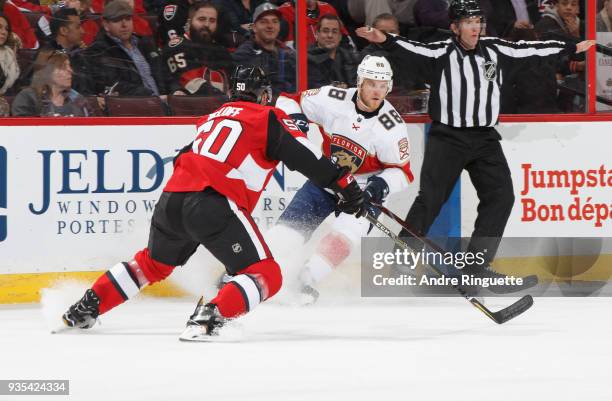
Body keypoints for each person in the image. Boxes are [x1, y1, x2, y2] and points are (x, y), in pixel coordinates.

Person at [61, 65, 366, 340]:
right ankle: (210, 317)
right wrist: (347, 189)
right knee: (266, 273)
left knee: (151, 264)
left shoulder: (210, 119)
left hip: (172, 199)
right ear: (264, 96)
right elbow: (308, 157)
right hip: (213, 201)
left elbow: (183, 156)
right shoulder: (267, 117)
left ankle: (85, 307)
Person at [356, 0, 594, 291]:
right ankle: (404, 254)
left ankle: (476, 267)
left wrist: (569, 47)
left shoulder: (495, 49)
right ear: (455, 27)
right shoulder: (441, 51)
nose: (475, 27)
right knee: (430, 198)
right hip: (448, 137)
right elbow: (409, 48)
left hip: (484, 138)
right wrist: (385, 39)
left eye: (478, 22)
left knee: (501, 197)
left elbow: (531, 51)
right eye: (468, 22)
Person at [272, 55, 413, 300]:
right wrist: (297, 127)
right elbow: (288, 101)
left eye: (383, 85)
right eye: (371, 83)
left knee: (343, 239)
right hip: (328, 176)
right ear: (359, 82)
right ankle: (250, 272)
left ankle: (304, 280)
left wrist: (379, 186)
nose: (377, 91)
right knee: (289, 232)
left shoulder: (392, 127)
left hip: (363, 189)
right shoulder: (333, 99)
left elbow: (402, 171)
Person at [83, 0, 164, 97]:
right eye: (117, 20)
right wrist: (152, 97)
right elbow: (113, 85)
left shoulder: (145, 43)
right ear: (105, 24)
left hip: (165, 102)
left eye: (128, 19)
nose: (124, 25)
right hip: (134, 107)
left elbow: (165, 74)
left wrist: (176, 91)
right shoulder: (98, 51)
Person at [162, 1, 234, 96]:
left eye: (212, 21)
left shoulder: (221, 50)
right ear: (189, 22)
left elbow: (236, 82)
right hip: (193, 106)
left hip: (226, 106)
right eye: (201, 19)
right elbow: (191, 84)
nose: (207, 25)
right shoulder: (177, 47)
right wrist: (225, 98)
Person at [233, 2, 296, 95]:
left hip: (289, 105)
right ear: (254, 27)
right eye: (264, 22)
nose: (270, 26)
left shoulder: (288, 54)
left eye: (275, 21)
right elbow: (245, 91)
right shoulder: (244, 54)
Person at [11, 50, 90, 116]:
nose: (70, 71)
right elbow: (22, 130)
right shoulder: (28, 97)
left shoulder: (77, 99)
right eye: (62, 67)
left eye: (69, 66)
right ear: (47, 72)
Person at [307, 13, 358, 88]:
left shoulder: (351, 58)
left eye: (334, 32)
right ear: (317, 34)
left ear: (340, 37)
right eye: (325, 31)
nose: (330, 35)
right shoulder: (306, 58)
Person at [0, 14, 20, 96]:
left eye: (6, 29)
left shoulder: (8, 53)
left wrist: (13, 54)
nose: (4, 32)